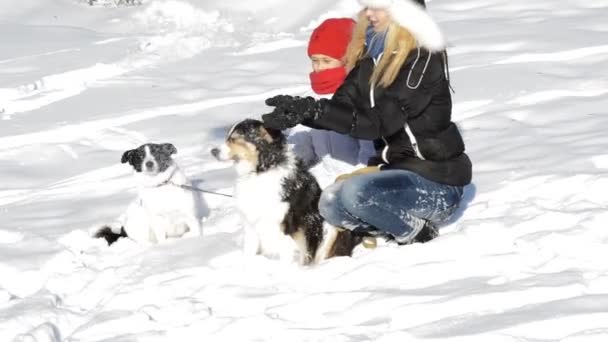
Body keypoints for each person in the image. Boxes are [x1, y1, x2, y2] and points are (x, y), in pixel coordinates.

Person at [261, 0, 472, 245]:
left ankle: (417, 233)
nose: (369, 13)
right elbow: (343, 107)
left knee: (356, 193)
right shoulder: (374, 57)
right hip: (395, 175)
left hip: (436, 183)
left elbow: (378, 122)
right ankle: (385, 229)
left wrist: (318, 112)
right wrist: (303, 111)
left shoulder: (422, 60)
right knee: (329, 202)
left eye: (377, 6)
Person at [287, 18, 375, 188]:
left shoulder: (361, 95)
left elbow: (369, 153)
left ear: (347, 59)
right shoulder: (311, 97)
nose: (319, 68)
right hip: (325, 178)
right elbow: (302, 146)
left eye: (326, 61)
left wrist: (353, 180)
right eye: (315, 60)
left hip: (357, 181)